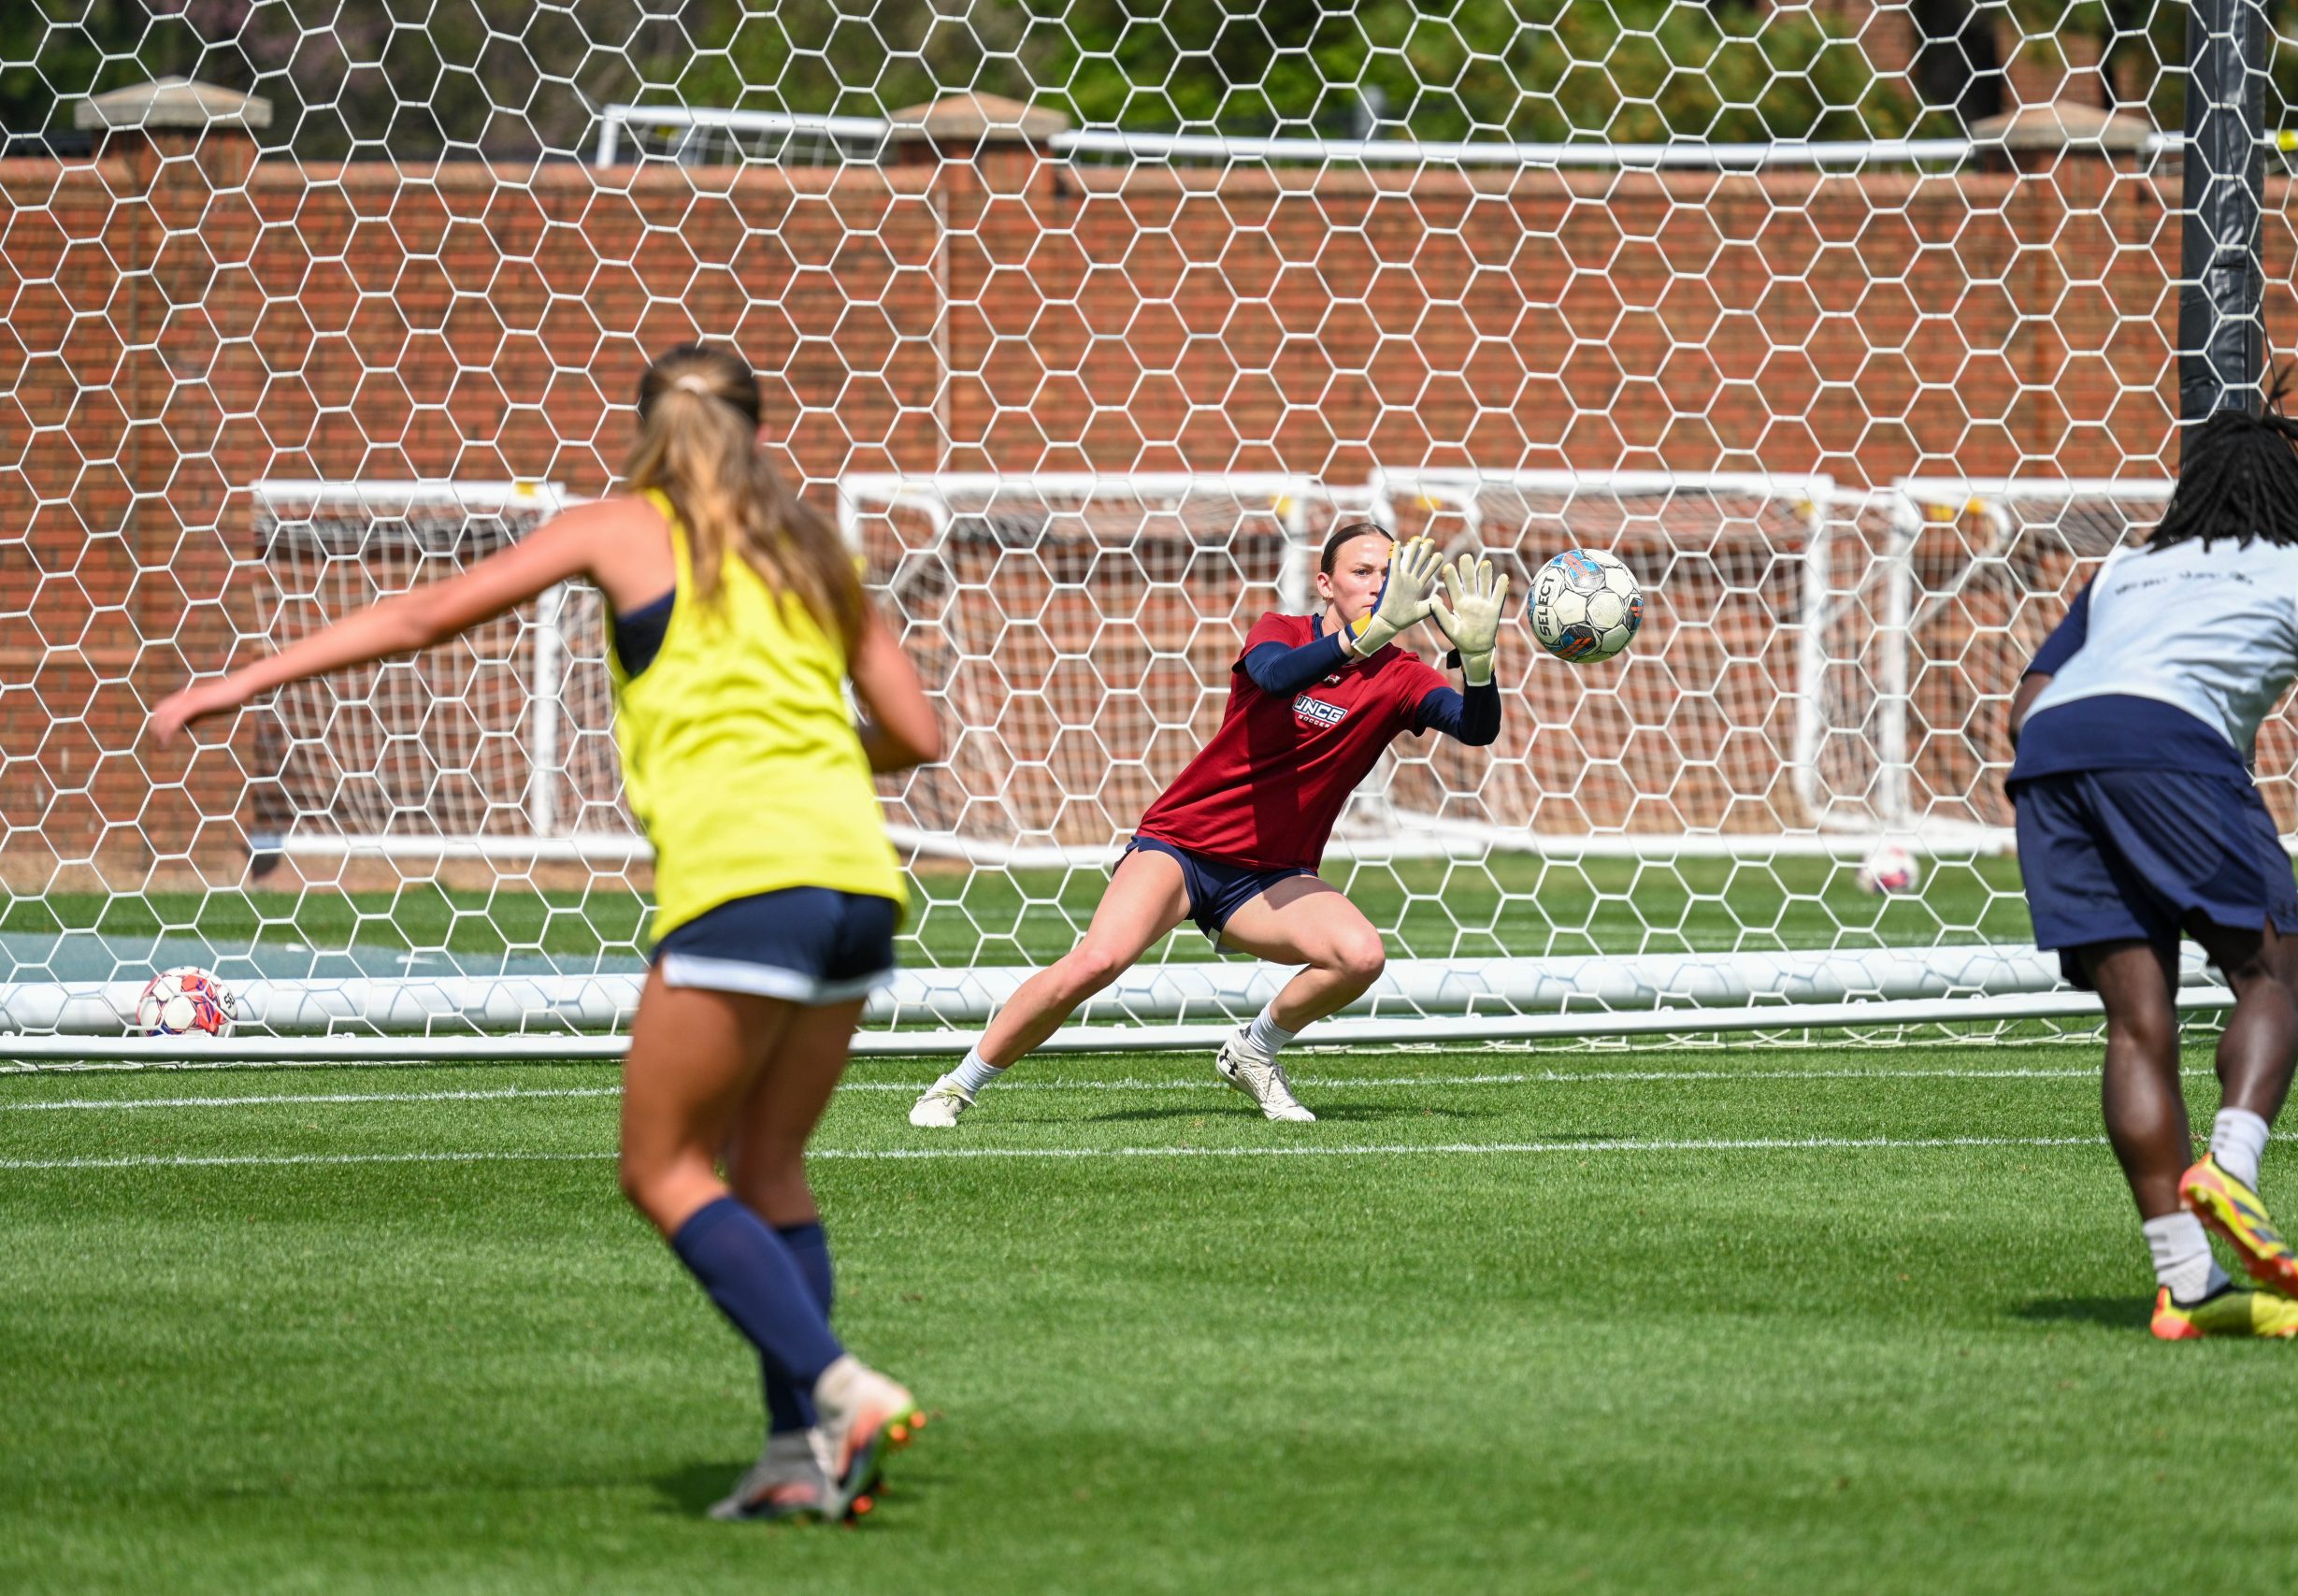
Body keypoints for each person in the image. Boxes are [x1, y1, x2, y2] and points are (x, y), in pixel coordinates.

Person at [149, 345, 941, 1520]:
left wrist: (239, 681)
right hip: (857, 884)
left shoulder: (620, 527)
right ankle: (795, 1456)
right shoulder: (816, 551)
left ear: (648, 433)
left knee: (661, 1168)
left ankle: (838, 1388)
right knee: (769, 1168)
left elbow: (424, 615)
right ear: (757, 429)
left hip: (741, 880)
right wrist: (809, 753)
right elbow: (916, 735)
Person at [2007, 391, 2298, 1341]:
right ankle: (2231, 1163)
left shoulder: (2122, 573)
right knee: (2273, 971)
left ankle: (2186, 1285)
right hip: (2168, 746)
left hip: (2050, 755)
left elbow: (2025, 701)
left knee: (2137, 1024)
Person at [909, 525, 1509, 1128]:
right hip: (1182, 846)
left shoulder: (1402, 675)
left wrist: (1478, 663)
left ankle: (1253, 1050)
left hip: (1270, 877)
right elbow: (1277, 676)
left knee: (1359, 957)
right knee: (1097, 961)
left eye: (1390, 572)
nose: (1379, 585)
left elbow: (1476, 728)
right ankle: (955, 1087)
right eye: (1363, 572)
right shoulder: (1280, 630)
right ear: (1325, 584)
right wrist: (1366, 636)